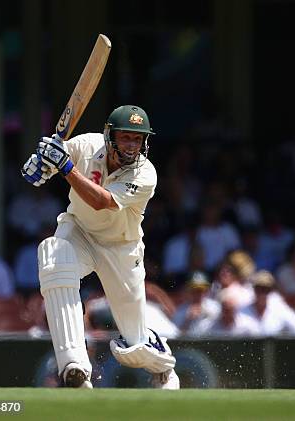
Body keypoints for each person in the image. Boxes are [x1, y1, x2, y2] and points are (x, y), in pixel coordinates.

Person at [20, 105, 178, 389]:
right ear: (110, 136)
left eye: (137, 139)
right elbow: (59, 154)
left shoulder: (146, 175)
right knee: (53, 256)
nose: (132, 146)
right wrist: (42, 163)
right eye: (126, 137)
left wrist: (64, 167)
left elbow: (101, 201)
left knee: (133, 347)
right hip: (79, 229)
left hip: (121, 247)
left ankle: (163, 365)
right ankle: (75, 367)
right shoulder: (88, 144)